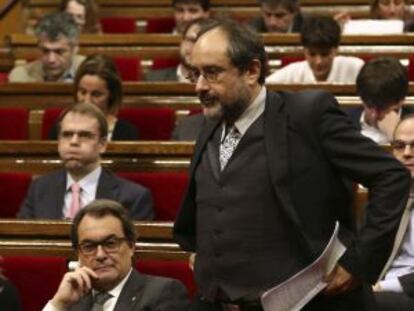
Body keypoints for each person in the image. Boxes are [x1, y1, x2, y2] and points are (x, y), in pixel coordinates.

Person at [173, 18, 410, 310]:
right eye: (194, 74)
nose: (199, 86)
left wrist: (358, 263)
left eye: (212, 73)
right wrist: (204, 249)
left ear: (252, 70)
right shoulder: (209, 124)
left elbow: (392, 176)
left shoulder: (307, 115)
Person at [42, 199, 189, 311]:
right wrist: (58, 304)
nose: (100, 255)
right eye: (89, 246)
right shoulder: (71, 299)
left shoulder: (163, 292)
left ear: (131, 246)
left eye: (110, 244)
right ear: (78, 253)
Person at [18, 103, 153, 220]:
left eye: (84, 135)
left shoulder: (133, 197)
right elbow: (22, 242)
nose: (74, 141)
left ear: (102, 144)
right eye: (67, 135)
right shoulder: (39, 188)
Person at [373, 115, 414, 310]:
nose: (407, 153)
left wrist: (382, 287)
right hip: (376, 289)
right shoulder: (384, 199)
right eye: (399, 145)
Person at [49, 54, 138, 141]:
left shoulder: (126, 132)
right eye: (83, 92)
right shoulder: (60, 127)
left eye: (96, 94)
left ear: (111, 95)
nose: (87, 101)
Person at [266, 16, 364, 83]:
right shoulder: (293, 72)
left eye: (325, 54)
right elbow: (265, 88)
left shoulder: (356, 67)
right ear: (304, 50)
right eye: (312, 54)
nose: (318, 62)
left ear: (335, 49)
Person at [347, 57, 413, 145]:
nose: (374, 115)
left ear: (401, 101)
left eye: (382, 108)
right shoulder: (343, 121)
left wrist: (396, 134)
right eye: (369, 106)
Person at [8, 12, 85, 82]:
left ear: (75, 49)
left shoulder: (91, 73)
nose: (51, 59)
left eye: (59, 52)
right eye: (45, 51)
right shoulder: (20, 77)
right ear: (38, 47)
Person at [147, 18, 214, 82]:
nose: (195, 48)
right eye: (191, 40)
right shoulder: (153, 79)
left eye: (202, 43)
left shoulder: (219, 85)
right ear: (182, 42)